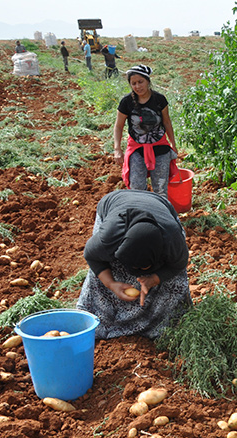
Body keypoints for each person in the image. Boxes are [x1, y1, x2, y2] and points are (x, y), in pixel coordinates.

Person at [77, 189, 191, 340]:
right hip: (115, 204)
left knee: (174, 282)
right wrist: (111, 284)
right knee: (101, 275)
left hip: (160, 207)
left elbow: (177, 265)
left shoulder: (173, 242)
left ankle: (167, 325)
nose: (137, 273)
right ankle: (100, 323)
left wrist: (154, 279)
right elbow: (91, 257)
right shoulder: (108, 238)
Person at [113, 65, 179, 198]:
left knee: (160, 188)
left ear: (148, 81)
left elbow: (166, 122)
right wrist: (117, 149)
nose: (137, 86)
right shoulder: (127, 102)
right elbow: (118, 126)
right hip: (137, 148)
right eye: (134, 83)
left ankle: (161, 215)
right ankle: (141, 215)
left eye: (140, 82)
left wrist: (173, 144)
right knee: (137, 187)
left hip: (160, 147)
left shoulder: (159, 100)